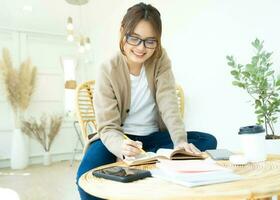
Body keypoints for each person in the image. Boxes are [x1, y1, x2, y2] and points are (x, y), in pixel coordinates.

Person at [76, 2, 217, 199]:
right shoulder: (107, 68)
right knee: (85, 176)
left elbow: (168, 101)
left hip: (152, 137)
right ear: (122, 33)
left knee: (206, 141)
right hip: (119, 137)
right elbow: (107, 126)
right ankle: (152, 159)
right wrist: (121, 148)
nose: (142, 48)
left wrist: (180, 141)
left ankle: (149, 157)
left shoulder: (160, 59)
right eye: (135, 38)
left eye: (150, 41)